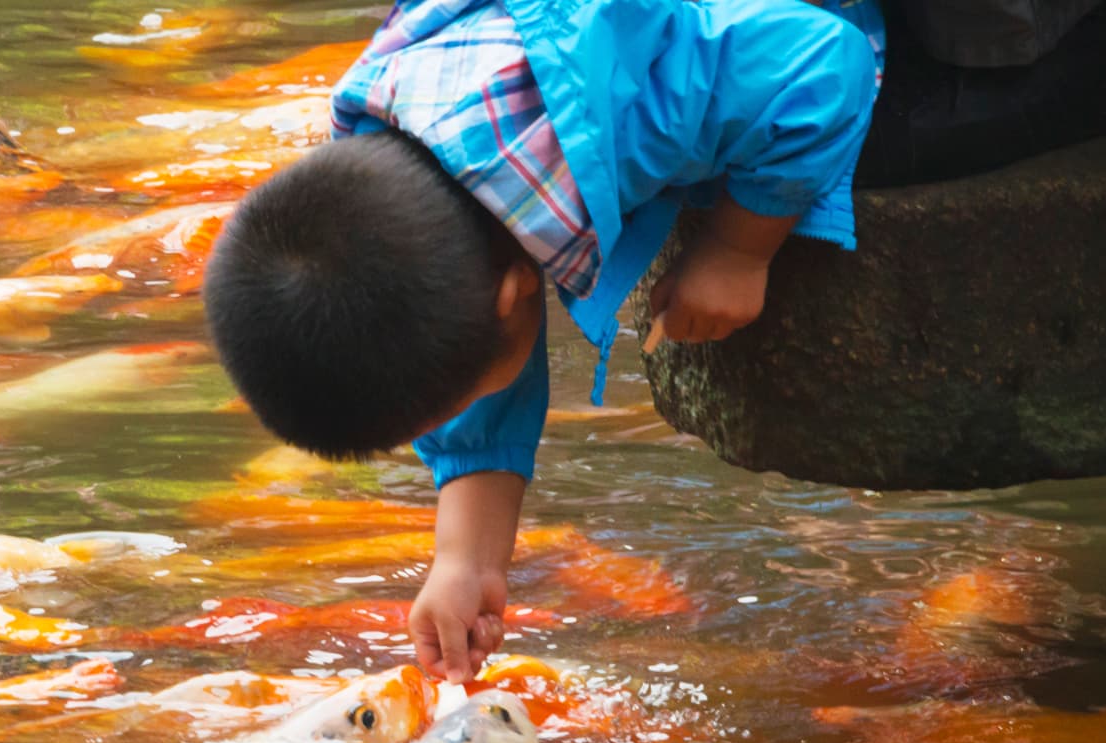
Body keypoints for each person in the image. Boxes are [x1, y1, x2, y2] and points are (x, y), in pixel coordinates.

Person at [204, 0, 885, 682]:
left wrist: (738, 249)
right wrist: (466, 562)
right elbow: (474, 331)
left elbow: (824, 62)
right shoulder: (401, 195)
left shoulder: (637, 111)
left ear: (510, 296)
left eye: (446, 408)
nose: (454, 411)